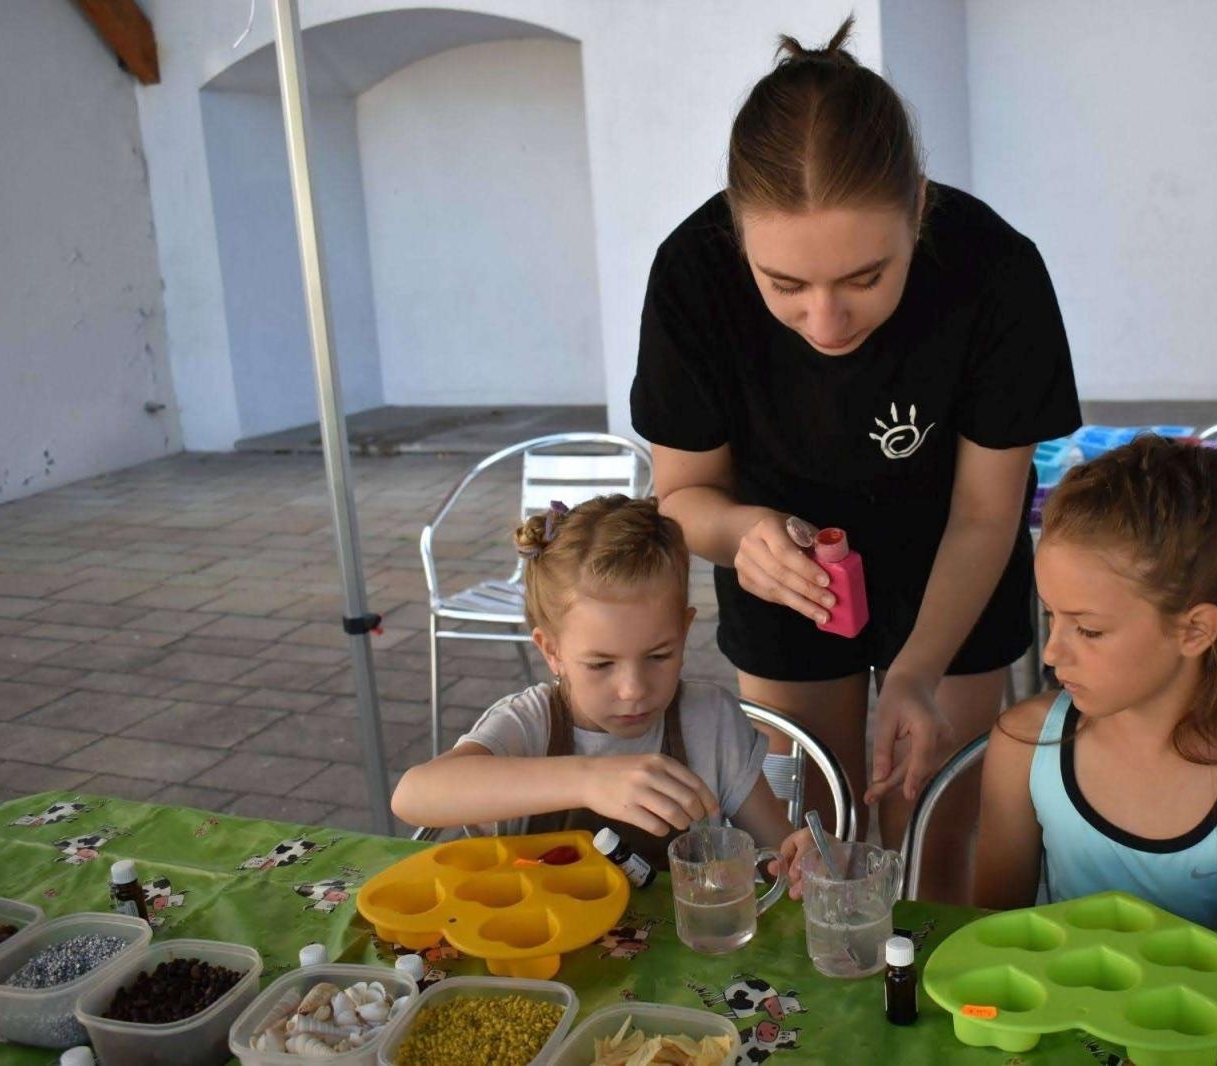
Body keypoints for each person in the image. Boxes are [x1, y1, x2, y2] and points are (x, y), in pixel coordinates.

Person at [631, 17, 1080, 900]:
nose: (827, 324)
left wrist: (916, 672)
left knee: (937, 823)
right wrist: (744, 532)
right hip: (786, 572)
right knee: (809, 836)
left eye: (866, 279)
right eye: (785, 287)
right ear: (736, 230)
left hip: (952, 555)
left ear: (917, 207)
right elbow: (682, 497)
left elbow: (989, 510)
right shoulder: (690, 275)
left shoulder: (995, 271)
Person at [973, 436, 1217, 937]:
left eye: (1088, 629)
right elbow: (991, 942)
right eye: (1050, 616)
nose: (1051, 652)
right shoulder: (1024, 746)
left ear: (1194, 630)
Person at [391, 495, 795, 862]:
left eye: (659, 655)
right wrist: (589, 778)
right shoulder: (530, 725)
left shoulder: (711, 721)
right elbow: (414, 795)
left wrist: (793, 860)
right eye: (601, 665)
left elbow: (775, 848)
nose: (633, 689)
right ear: (552, 651)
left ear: (685, 631)